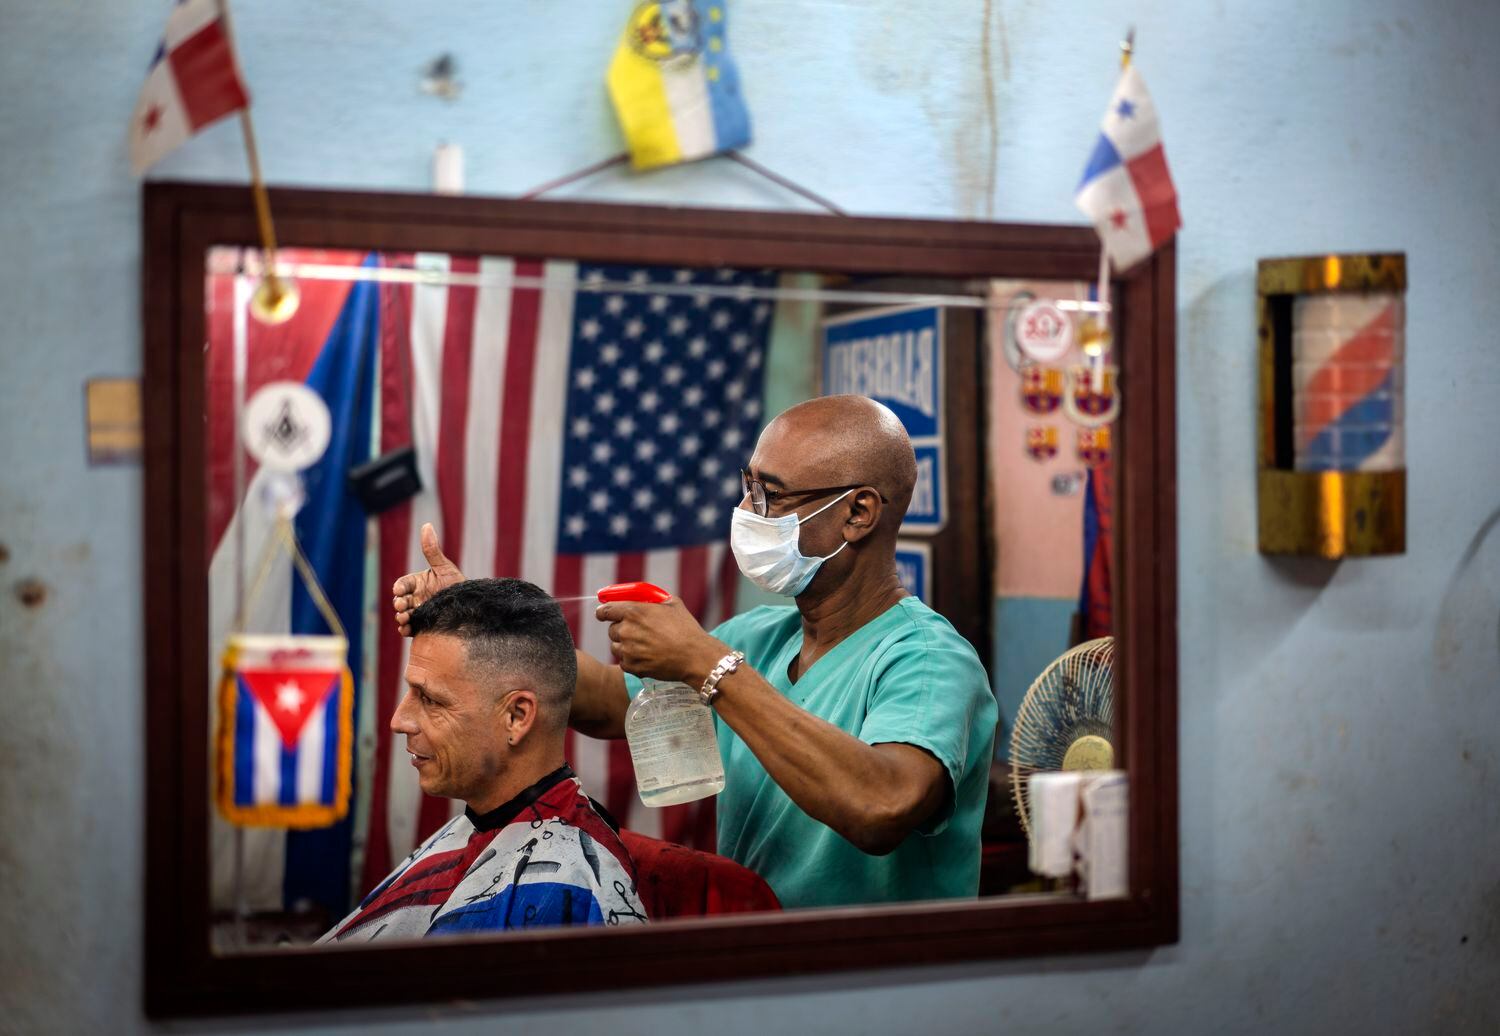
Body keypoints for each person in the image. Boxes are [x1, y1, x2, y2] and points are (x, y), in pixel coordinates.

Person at [393, 396, 997, 909]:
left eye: (772, 497)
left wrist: (710, 667)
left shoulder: (926, 662)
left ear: (858, 513)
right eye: (748, 487)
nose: (747, 514)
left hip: (883, 990)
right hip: (761, 968)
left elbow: (882, 804)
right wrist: (480, 617)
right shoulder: (762, 637)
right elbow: (606, 702)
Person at [322, 578, 647, 943]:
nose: (399, 721)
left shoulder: (572, 889)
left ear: (517, 717)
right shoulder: (480, 828)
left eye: (430, 700)